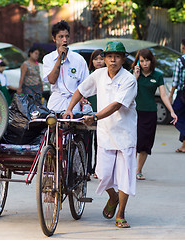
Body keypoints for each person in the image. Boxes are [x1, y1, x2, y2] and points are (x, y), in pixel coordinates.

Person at [63, 41, 137, 228]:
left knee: (125, 177)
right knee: (102, 175)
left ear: (123, 59)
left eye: (117, 56)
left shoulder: (129, 79)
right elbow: (80, 90)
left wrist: (95, 116)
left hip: (125, 134)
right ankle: (113, 198)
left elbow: (117, 105)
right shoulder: (99, 74)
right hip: (105, 133)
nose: (113, 60)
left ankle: (121, 214)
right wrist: (69, 109)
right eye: (109, 56)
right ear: (104, 58)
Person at [132, 49, 177, 180]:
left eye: (147, 60)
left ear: (151, 61)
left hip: (150, 113)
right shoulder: (134, 73)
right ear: (138, 62)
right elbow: (128, 90)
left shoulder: (157, 76)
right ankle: (129, 170)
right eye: (141, 61)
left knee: (145, 144)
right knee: (133, 143)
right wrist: (135, 77)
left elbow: (163, 95)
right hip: (135, 112)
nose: (144, 63)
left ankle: (138, 170)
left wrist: (172, 111)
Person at [42, 20, 89, 111]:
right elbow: (51, 80)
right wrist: (60, 57)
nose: (65, 40)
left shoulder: (79, 60)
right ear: (54, 38)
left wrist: (82, 99)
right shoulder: (48, 58)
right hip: (56, 103)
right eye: (61, 37)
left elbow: (84, 85)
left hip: (74, 103)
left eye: (67, 36)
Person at [87, 49, 106, 179]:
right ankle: (87, 169)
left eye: (101, 58)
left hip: (103, 113)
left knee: (99, 142)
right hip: (88, 112)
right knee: (87, 142)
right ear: (92, 61)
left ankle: (97, 169)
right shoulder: (88, 75)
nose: (99, 61)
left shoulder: (107, 75)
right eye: (96, 59)